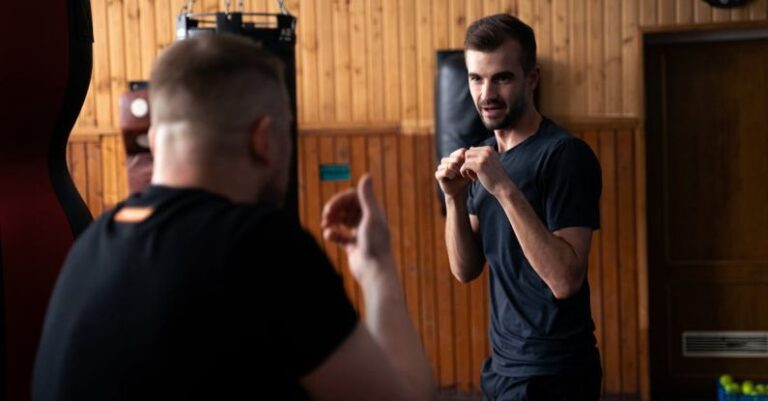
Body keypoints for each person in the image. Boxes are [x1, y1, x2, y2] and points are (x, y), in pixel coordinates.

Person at [33, 34, 434, 401]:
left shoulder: (92, 242)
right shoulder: (257, 245)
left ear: (155, 140)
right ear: (264, 138)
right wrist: (377, 267)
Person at [435, 14, 603, 401]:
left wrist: (505, 189)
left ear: (531, 78)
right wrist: (454, 198)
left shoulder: (564, 155)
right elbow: (465, 269)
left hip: (556, 372)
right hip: (502, 367)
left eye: (502, 78)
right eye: (476, 79)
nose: (487, 93)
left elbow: (565, 280)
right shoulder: (485, 156)